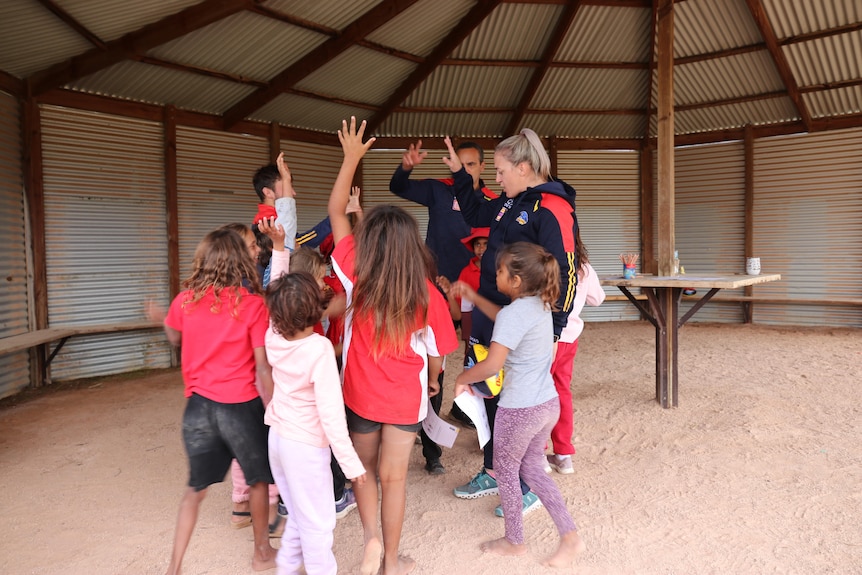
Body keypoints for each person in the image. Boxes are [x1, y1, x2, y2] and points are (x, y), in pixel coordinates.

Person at [329, 117, 458, 575]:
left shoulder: (356, 275)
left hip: (359, 394)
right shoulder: (427, 293)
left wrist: (351, 159)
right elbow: (440, 350)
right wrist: (434, 378)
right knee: (395, 478)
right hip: (404, 399)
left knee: (361, 473)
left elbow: (335, 212)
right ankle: (390, 561)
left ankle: (369, 541)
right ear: (410, 245)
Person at [443, 129, 579, 515]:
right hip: (492, 316)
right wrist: (460, 176)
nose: (496, 179)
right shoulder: (510, 202)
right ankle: (493, 468)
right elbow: (473, 212)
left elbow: (566, 270)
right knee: (489, 390)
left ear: (523, 167)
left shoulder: (552, 208)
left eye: (501, 171)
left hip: (522, 324)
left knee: (518, 404)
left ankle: (527, 482)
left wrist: (555, 328)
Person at [453, 242, 585, 568]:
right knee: (531, 470)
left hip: (519, 409)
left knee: (507, 472)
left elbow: (493, 365)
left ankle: (514, 541)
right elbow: (504, 319)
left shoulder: (515, 314)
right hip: (546, 404)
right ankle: (569, 535)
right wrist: (475, 296)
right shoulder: (540, 305)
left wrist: (463, 376)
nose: (494, 273)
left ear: (514, 280)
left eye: (498, 270)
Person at [159, 227, 276, 574]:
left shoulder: (184, 301)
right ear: (239, 261)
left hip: (198, 409)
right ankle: (261, 554)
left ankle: (174, 567)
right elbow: (262, 365)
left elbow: (173, 336)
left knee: (194, 490)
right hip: (240, 407)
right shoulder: (254, 306)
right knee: (258, 481)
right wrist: (274, 405)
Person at [264, 270, 367, 575]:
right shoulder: (319, 350)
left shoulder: (273, 336)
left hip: (278, 440)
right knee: (318, 524)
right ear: (314, 308)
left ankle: (287, 568)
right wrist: (351, 464)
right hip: (305, 448)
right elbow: (332, 415)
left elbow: (279, 297)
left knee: (297, 515)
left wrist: (281, 252)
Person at [390, 140, 496, 434]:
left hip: (474, 287)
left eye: (471, 165)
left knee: (475, 352)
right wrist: (406, 168)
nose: (465, 170)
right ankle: (423, 414)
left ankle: (466, 410)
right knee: (431, 351)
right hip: (435, 285)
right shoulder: (439, 189)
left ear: (483, 167)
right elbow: (399, 187)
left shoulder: (491, 201)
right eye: (460, 164)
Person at [547, 231, 605, 474]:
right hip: (570, 338)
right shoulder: (584, 267)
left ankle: (538, 453)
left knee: (539, 394)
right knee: (562, 392)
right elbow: (597, 299)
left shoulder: (547, 263)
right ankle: (563, 453)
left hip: (546, 338)